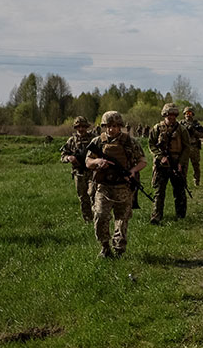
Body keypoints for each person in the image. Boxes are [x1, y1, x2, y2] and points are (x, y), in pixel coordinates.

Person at [85, 111, 146, 258]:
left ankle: (119, 248)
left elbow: (143, 161)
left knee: (122, 219)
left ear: (120, 126)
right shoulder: (98, 142)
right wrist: (98, 162)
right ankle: (105, 247)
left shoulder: (130, 142)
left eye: (115, 126)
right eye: (108, 126)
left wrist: (132, 171)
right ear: (104, 126)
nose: (111, 129)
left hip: (123, 187)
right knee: (100, 216)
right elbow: (87, 161)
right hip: (103, 186)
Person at [148, 103, 190, 224]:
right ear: (164, 115)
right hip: (161, 165)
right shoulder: (157, 128)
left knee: (179, 190)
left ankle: (181, 216)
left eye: (173, 115)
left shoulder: (182, 130)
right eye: (168, 115)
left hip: (177, 163)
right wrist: (160, 157)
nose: (171, 117)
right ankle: (156, 216)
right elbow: (151, 144)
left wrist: (181, 163)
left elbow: (187, 148)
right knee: (159, 191)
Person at [60, 115, 96, 222]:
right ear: (75, 128)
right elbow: (62, 156)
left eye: (83, 127)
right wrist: (69, 158)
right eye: (78, 127)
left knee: (93, 195)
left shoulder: (93, 139)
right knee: (83, 198)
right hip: (79, 173)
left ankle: (98, 219)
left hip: (92, 172)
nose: (81, 129)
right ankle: (88, 220)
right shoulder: (71, 141)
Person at [180, 106, 203, 185]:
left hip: (194, 147)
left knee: (196, 165)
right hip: (184, 147)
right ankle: (183, 181)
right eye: (186, 113)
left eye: (190, 113)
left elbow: (201, 135)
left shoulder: (196, 124)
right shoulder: (180, 124)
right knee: (183, 165)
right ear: (184, 114)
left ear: (192, 114)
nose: (188, 115)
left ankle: (196, 180)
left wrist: (194, 131)